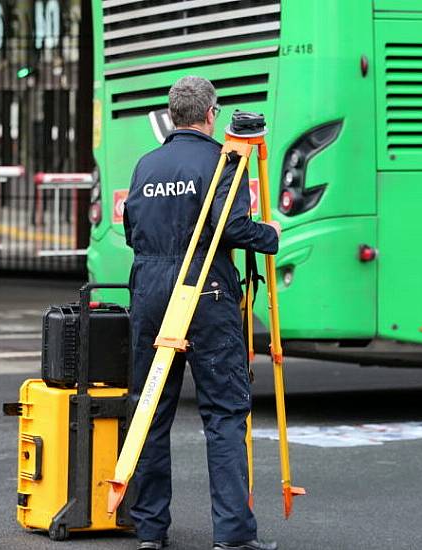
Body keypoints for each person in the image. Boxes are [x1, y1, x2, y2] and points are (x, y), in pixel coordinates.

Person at [122, 76, 281, 550]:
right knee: (225, 413)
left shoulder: (145, 166)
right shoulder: (223, 162)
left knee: (150, 411)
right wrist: (269, 234)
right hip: (206, 292)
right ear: (210, 114)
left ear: (172, 116)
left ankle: (150, 531)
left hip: (150, 292)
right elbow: (231, 228)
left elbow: (133, 232)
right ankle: (231, 534)